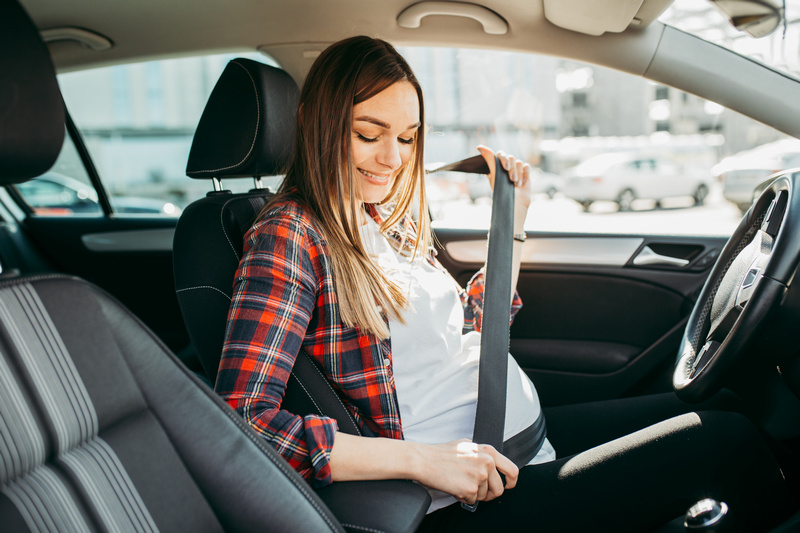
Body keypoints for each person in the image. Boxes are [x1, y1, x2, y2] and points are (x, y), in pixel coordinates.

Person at [216, 35, 794, 531]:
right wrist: (423, 461)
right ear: (322, 127)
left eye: (408, 137)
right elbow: (244, 420)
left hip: (520, 441)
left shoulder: (376, 220)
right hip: (464, 501)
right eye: (370, 134)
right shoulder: (289, 235)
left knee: (726, 402)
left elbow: (469, 337)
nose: (392, 159)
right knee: (725, 442)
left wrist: (510, 225)